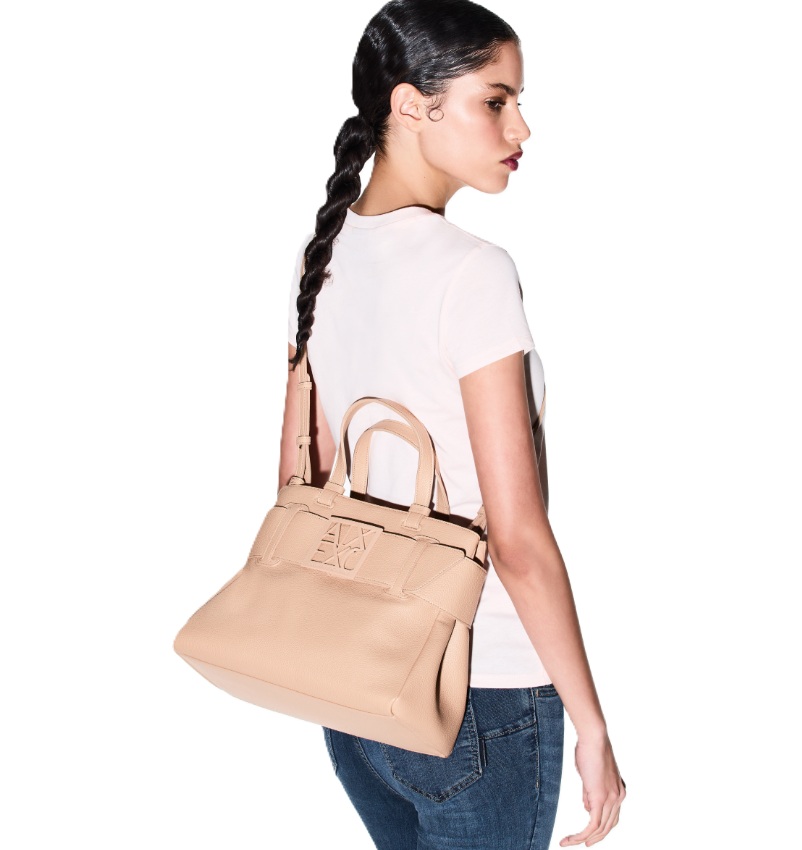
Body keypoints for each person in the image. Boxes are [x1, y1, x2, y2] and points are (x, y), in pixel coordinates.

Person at [278, 1, 626, 847]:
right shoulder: (472, 273)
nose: (521, 128)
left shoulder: (323, 256)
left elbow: (299, 478)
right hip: (481, 693)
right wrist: (592, 723)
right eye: (495, 101)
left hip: (354, 685)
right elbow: (517, 539)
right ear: (411, 105)